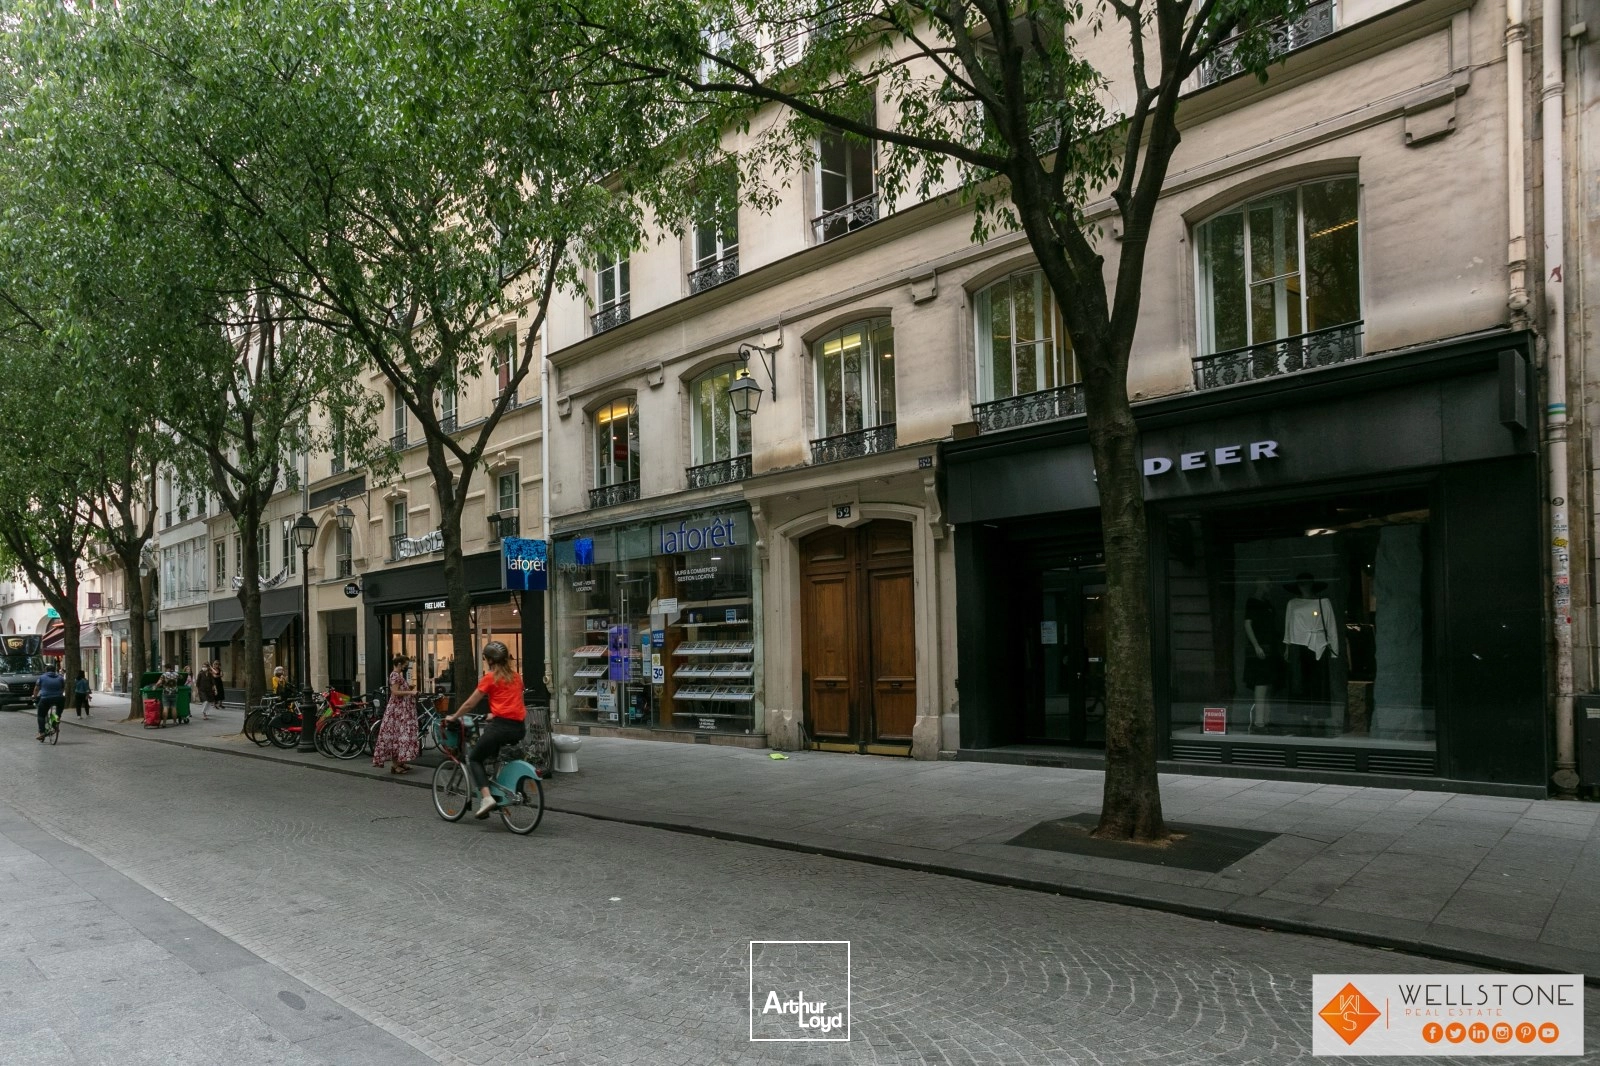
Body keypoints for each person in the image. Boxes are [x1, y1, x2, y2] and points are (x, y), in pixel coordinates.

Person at [444, 642, 526, 818]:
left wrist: (455, 716)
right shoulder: (517, 677)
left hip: (500, 728)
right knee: (493, 755)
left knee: (474, 758)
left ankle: (487, 798)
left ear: (490, 660)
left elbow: (470, 704)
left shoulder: (490, 678)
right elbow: (513, 701)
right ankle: (497, 790)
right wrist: (494, 713)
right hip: (519, 728)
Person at [372, 654, 419, 774]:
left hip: (401, 710)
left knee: (400, 735)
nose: (406, 667)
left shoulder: (398, 675)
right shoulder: (394, 675)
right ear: (399, 664)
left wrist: (408, 688)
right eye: (405, 665)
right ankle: (395, 765)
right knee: (396, 735)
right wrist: (410, 692)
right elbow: (395, 692)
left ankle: (400, 762)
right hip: (397, 711)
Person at [33, 661, 66, 742]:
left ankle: (42, 732)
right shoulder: (60, 677)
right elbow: (63, 688)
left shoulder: (42, 677)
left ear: (46, 670)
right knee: (58, 712)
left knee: (41, 715)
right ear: (54, 670)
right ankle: (56, 722)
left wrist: (34, 696)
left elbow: (36, 688)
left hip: (46, 698)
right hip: (59, 698)